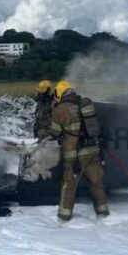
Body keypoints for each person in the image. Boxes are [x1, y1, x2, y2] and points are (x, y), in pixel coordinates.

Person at [48, 80, 109, 222]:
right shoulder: (85, 103)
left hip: (74, 155)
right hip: (93, 151)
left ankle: (64, 217)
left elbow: (55, 132)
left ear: (59, 93)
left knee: (68, 186)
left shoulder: (60, 109)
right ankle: (103, 213)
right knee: (96, 182)